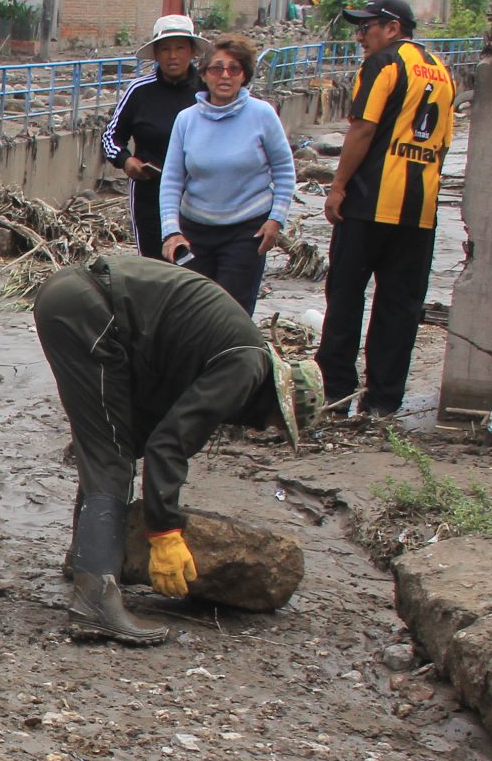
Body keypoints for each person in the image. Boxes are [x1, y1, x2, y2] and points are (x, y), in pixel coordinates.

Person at [34, 253, 322, 644]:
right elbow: (167, 445)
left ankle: (87, 562)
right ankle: (95, 603)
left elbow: (151, 424)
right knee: (111, 453)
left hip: (79, 300)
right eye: (275, 422)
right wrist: (164, 532)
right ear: (276, 397)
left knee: (116, 442)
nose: (263, 429)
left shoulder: (234, 353)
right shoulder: (245, 367)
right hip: (87, 308)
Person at [318, 0, 457, 418]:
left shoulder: (383, 64)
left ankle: (336, 393)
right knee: (399, 307)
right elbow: (445, 141)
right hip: (421, 212)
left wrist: (338, 186)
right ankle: (382, 402)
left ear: (392, 28)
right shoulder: (442, 70)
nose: (361, 37)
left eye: (366, 28)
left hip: (369, 205)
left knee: (345, 297)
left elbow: (363, 129)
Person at [158, 35, 294, 315]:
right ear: (204, 74)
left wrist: (276, 220)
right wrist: (171, 231)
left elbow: (284, 170)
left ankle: (232, 359)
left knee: (232, 314)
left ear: (244, 76)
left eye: (234, 69)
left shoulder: (262, 114)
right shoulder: (186, 120)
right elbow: (171, 180)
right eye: (216, 68)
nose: (225, 75)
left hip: (247, 230)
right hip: (195, 231)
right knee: (192, 312)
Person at [101, 15, 207, 258]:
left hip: (200, 193)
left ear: (191, 51)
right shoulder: (139, 91)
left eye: (180, 48)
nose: (173, 56)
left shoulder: (207, 90)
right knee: (154, 265)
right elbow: (111, 137)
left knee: (195, 267)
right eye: (165, 49)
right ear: (156, 54)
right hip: (150, 194)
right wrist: (126, 161)